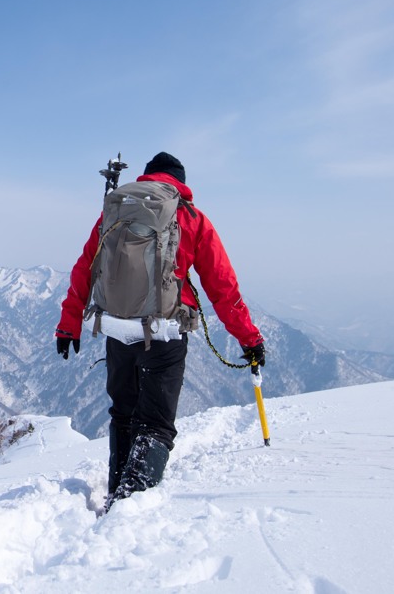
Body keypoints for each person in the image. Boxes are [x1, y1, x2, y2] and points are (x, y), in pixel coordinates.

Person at [54, 151, 265, 510]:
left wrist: (69, 324)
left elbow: (85, 268)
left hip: (117, 329)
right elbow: (222, 287)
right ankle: (128, 507)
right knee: (155, 424)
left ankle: (115, 495)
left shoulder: (116, 211)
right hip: (164, 334)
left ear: (147, 177)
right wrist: (249, 338)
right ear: (180, 182)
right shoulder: (191, 216)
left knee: (123, 415)